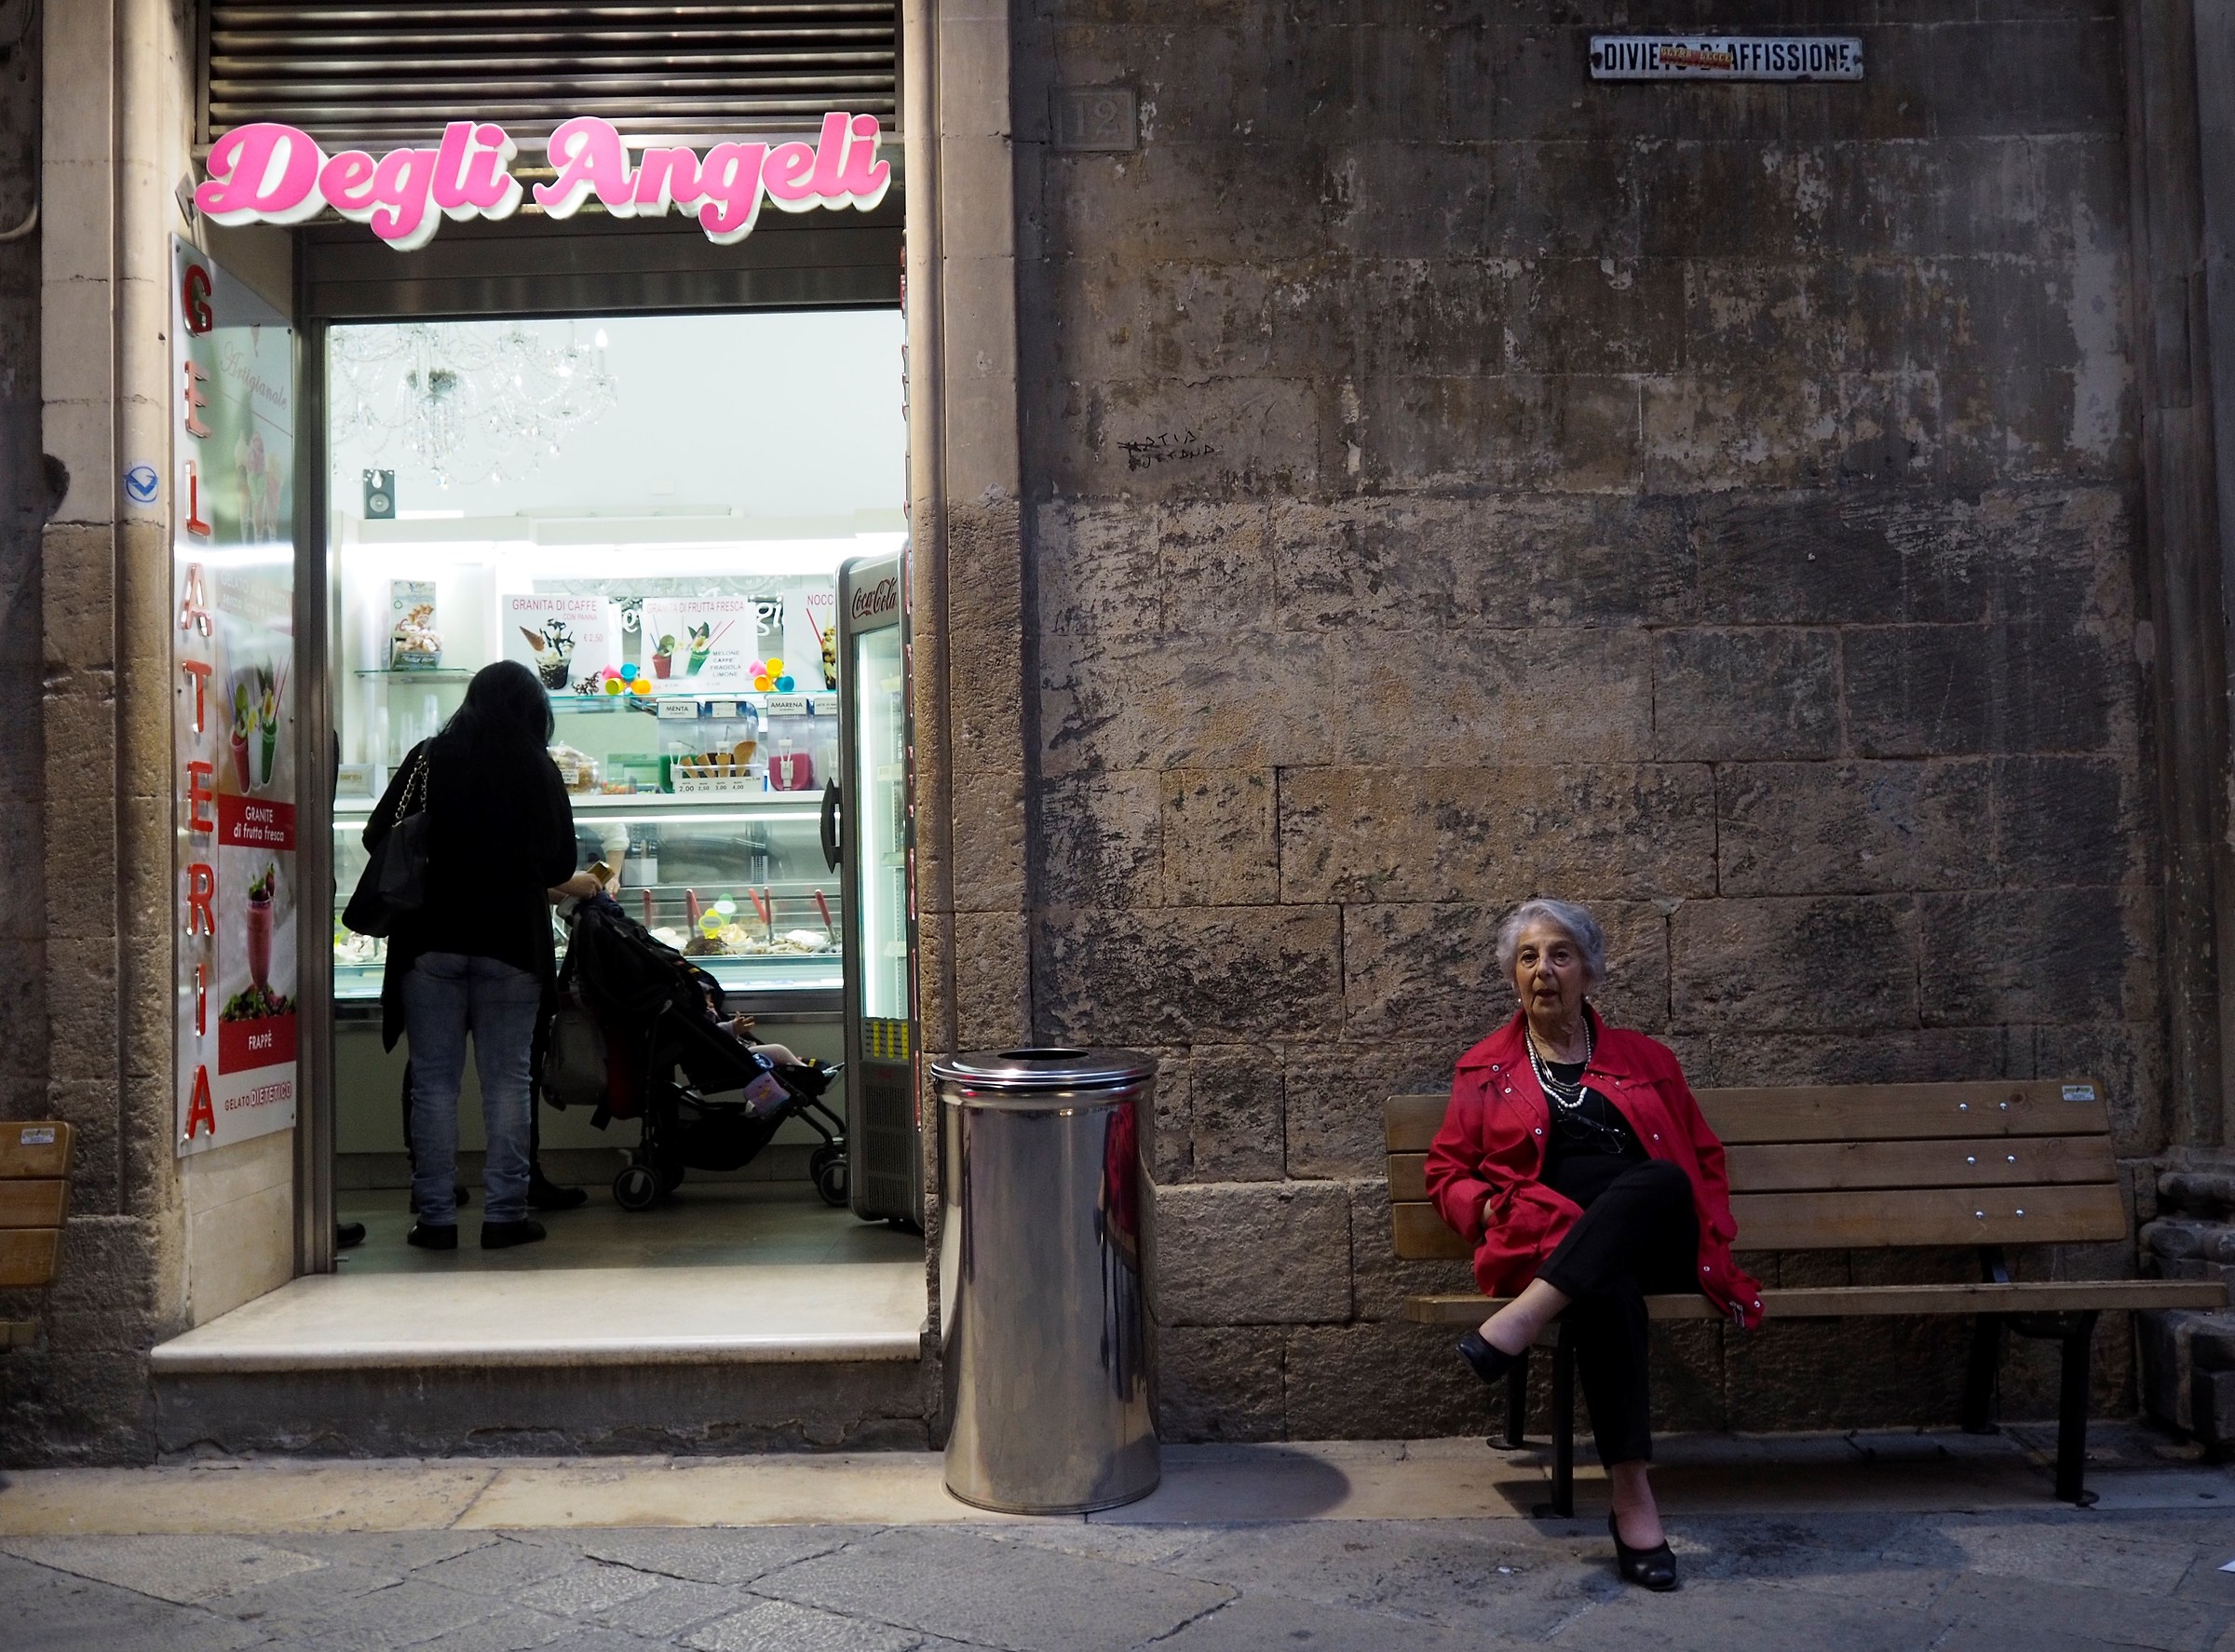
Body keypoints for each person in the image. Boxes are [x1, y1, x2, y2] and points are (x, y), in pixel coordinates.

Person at [1424, 897, 1763, 1592]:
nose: (1543, 969)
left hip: (1658, 1237)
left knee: (1661, 1180)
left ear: (1589, 972)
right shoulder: (1484, 1069)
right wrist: (1486, 1209)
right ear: (1513, 978)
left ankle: (1523, 1316)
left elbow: (1702, 1159)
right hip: (1551, 1239)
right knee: (1604, 1286)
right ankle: (1634, 1501)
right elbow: (1445, 1173)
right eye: (1528, 957)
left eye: (1559, 954)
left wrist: (1713, 1228)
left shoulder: (1647, 1059)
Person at [365, 660, 603, 1251]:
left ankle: (436, 1218)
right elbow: (557, 864)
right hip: (510, 944)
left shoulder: (430, 755)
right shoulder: (536, 766)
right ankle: (505, 1215)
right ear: (533, 711)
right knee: (507, 1083)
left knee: (434, 1085)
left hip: (429, 942)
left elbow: (377, 834)